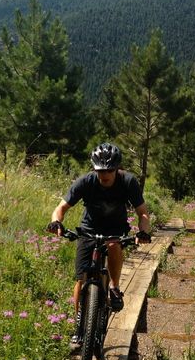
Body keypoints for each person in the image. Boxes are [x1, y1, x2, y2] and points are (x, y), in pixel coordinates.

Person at [47, 142, 151, 344]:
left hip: (115, 229)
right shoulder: (85, 182)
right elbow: (61, 207)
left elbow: (143, 212)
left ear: (117, 168)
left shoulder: (128, 182)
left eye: (110, 170)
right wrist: (56, 222)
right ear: (94, 168)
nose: (105, 174)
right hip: (89, 230)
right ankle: (79, 321)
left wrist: (143, 232)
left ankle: (114, 287)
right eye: (100, 170)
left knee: (113, 245)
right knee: (81, 279)